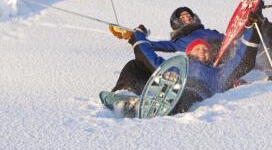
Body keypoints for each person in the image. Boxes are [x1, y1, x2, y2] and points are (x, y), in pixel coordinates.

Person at [104, 23, 259, 117]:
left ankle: (166, 108)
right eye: (197, 49)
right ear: (188, 53)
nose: (202, 52)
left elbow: (241, 59)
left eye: (206, 50)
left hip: (193, 93)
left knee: (186, 94)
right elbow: (149, 56)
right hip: (165, 86)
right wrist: (138, 36)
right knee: (135, 65)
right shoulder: (176, 65)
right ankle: (127, 97)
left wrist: (251, 28)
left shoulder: (219, 72)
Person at [107, 6, 223, 94]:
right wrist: (134, 36)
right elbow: (149, 47)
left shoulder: (209, 32)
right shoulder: (177, 43)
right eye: (182, 17)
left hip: (201, 74)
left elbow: (229, 40)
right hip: (178, 74)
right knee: (134, 65)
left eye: (189, 15)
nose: (187, 17)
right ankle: (125, 94)